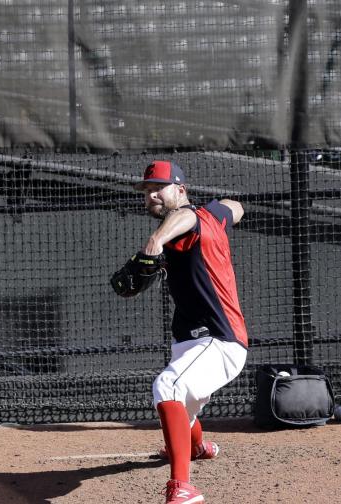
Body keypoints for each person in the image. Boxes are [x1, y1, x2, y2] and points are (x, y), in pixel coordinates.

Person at [130, 160, 249, 502]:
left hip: (220, 337)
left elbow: (187, 217)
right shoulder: (213, 215)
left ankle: (182, 487)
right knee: (186, 408)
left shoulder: (190, 218)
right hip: (188, 340)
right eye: (146, 190)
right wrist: (227, 211)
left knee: (167, 385)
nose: (151, 194)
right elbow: (234, 206)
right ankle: (197, 446)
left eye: (158, 187)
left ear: (180, 189)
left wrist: (155, 240)